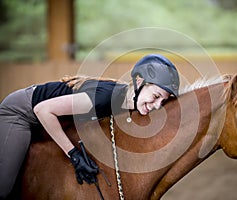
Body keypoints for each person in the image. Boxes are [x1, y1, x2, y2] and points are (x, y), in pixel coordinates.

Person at [0, 54, 180, 199]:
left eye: (162, 101)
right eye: (156, 96)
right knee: (5, 188)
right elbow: (43, 110)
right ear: (139, 82)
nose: (157, 105)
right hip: (21, 112)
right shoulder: (103, 99)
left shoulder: (126, 101)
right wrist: (73, 154)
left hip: (46, 115)